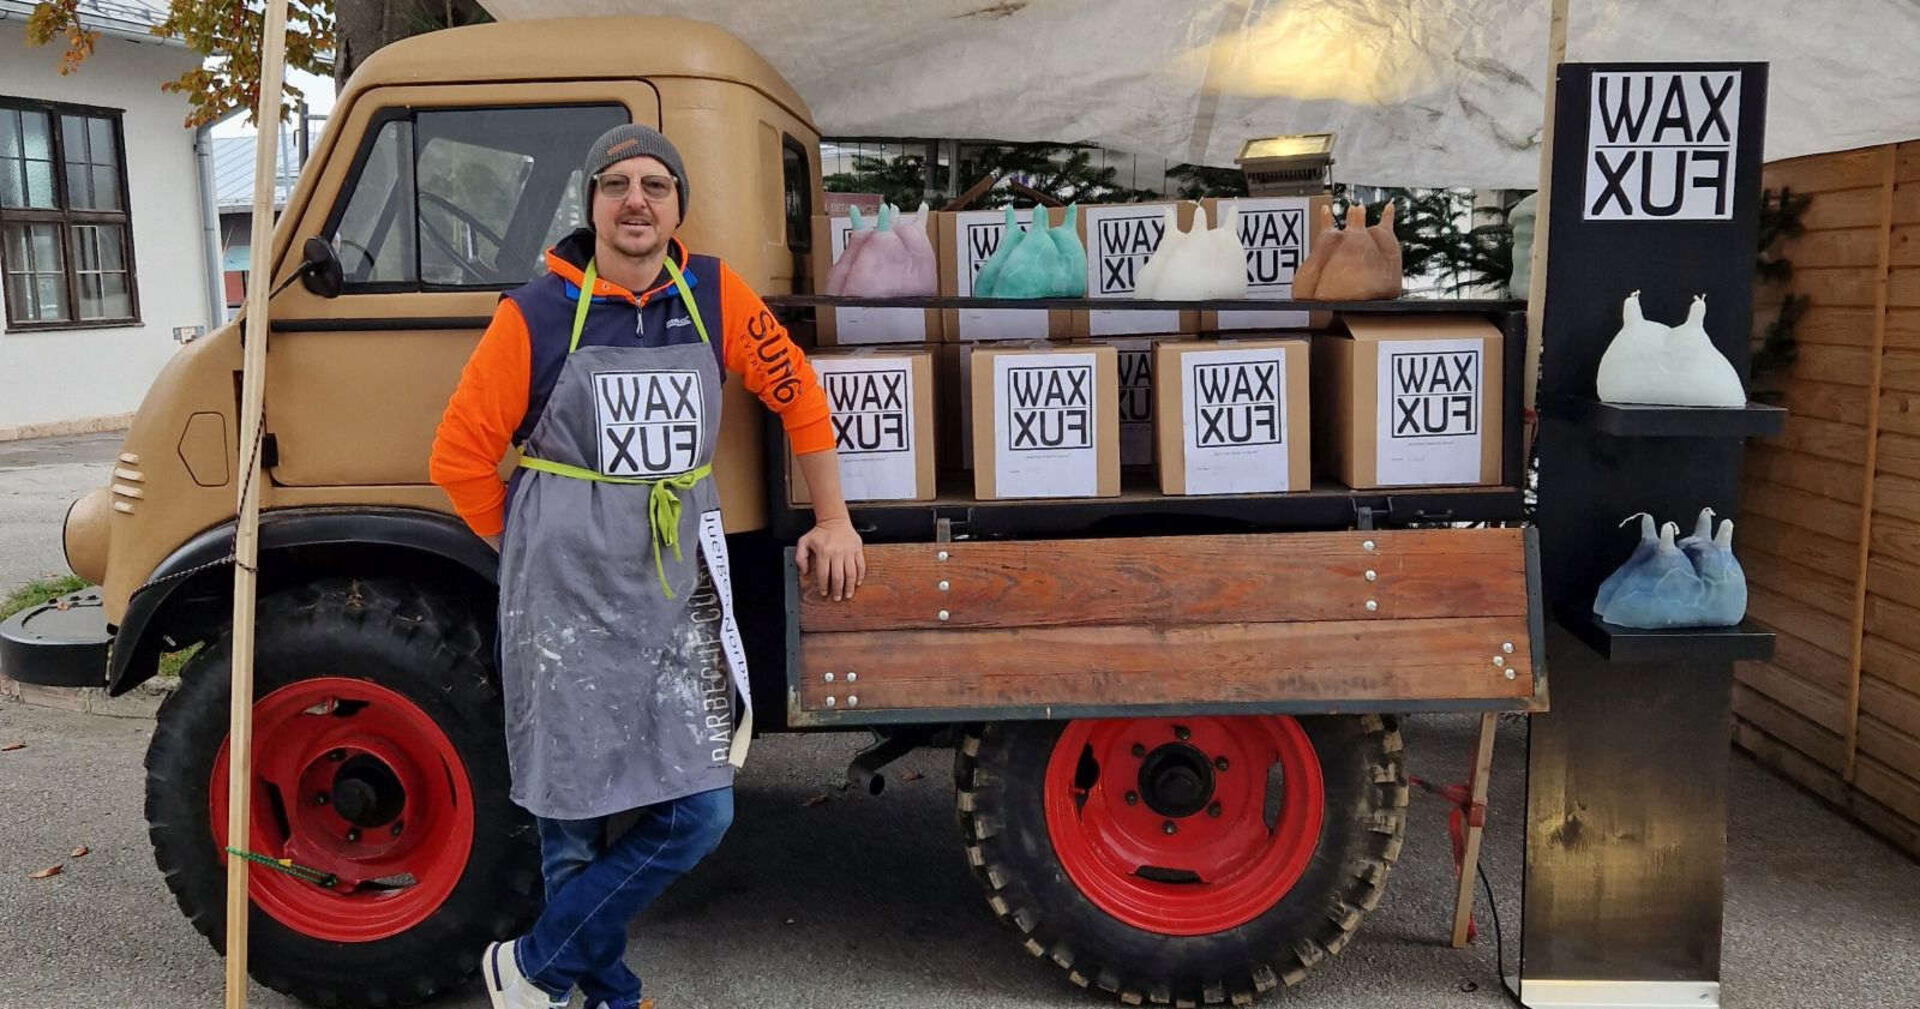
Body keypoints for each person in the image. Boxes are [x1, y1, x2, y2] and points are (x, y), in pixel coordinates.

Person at [429, 123, 864, 1009]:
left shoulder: (712, 292)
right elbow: (458, 456)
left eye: (655, 185)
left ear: (676, 209)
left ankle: (534, 967)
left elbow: (799, 395)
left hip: (674, 587)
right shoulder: (538, 312)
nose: (636, 199)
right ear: (590, 205)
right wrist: (531, 545)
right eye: (617, 184)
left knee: (700, 809)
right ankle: (606, 995)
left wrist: (836, 518)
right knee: (572, 815)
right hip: (565, 595)